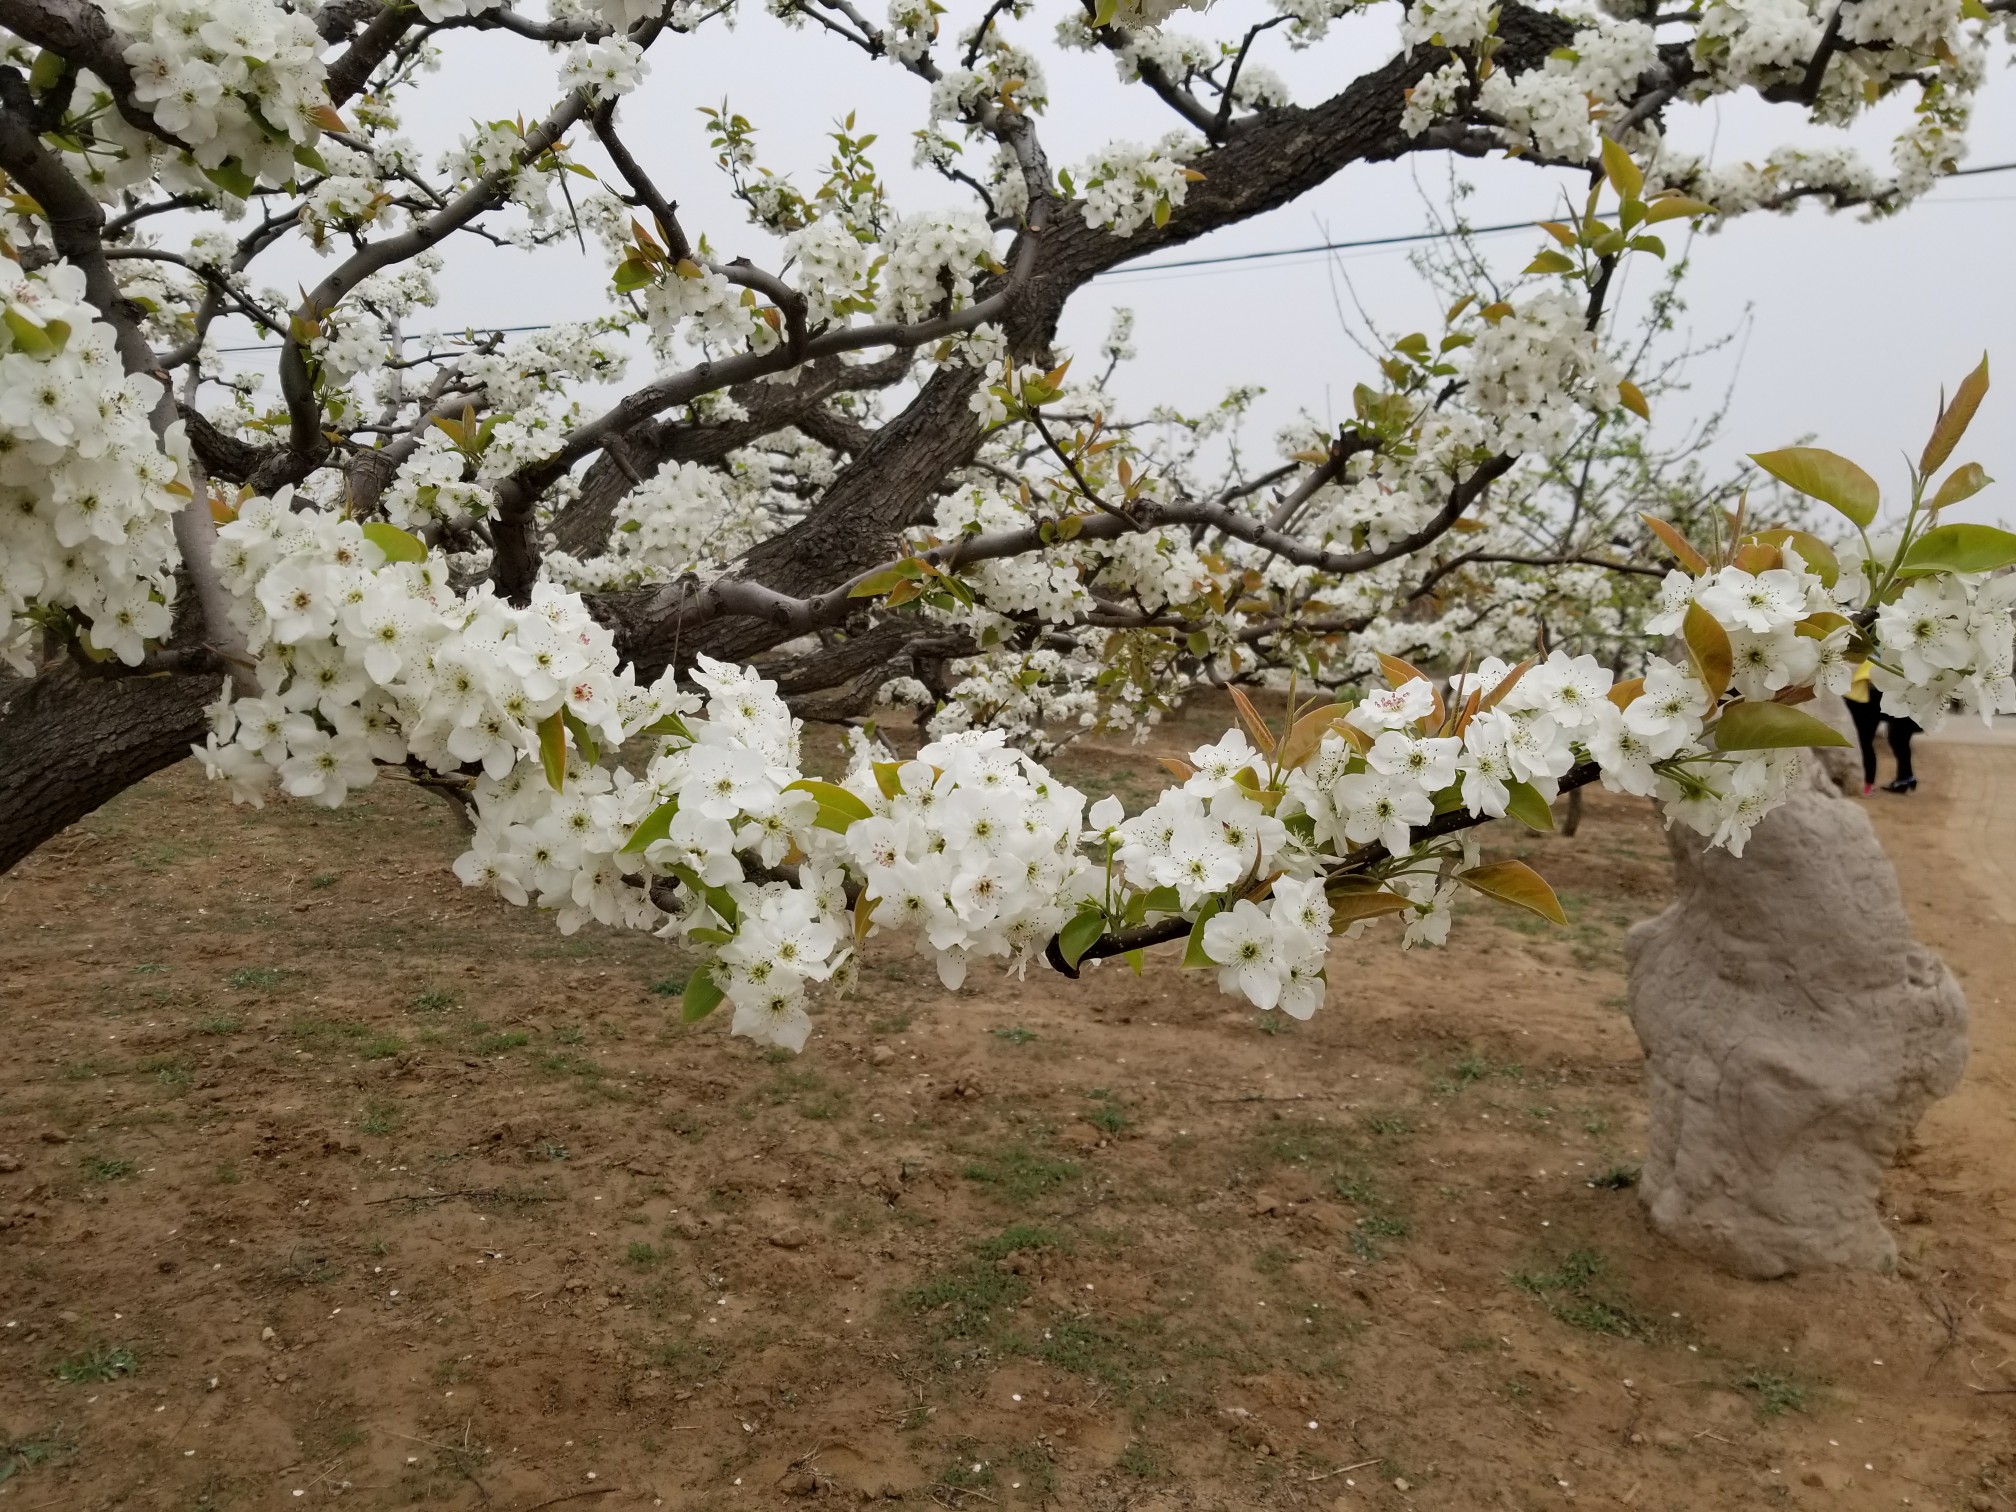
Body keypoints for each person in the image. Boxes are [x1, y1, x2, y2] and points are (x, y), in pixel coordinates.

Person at [1843, 660, 1920, 795]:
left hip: (1865, 699)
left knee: (1866, 742)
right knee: (1898, 740)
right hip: (1896, 694)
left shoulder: (1864, 659)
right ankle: (1905, 777)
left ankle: (1870, 784)